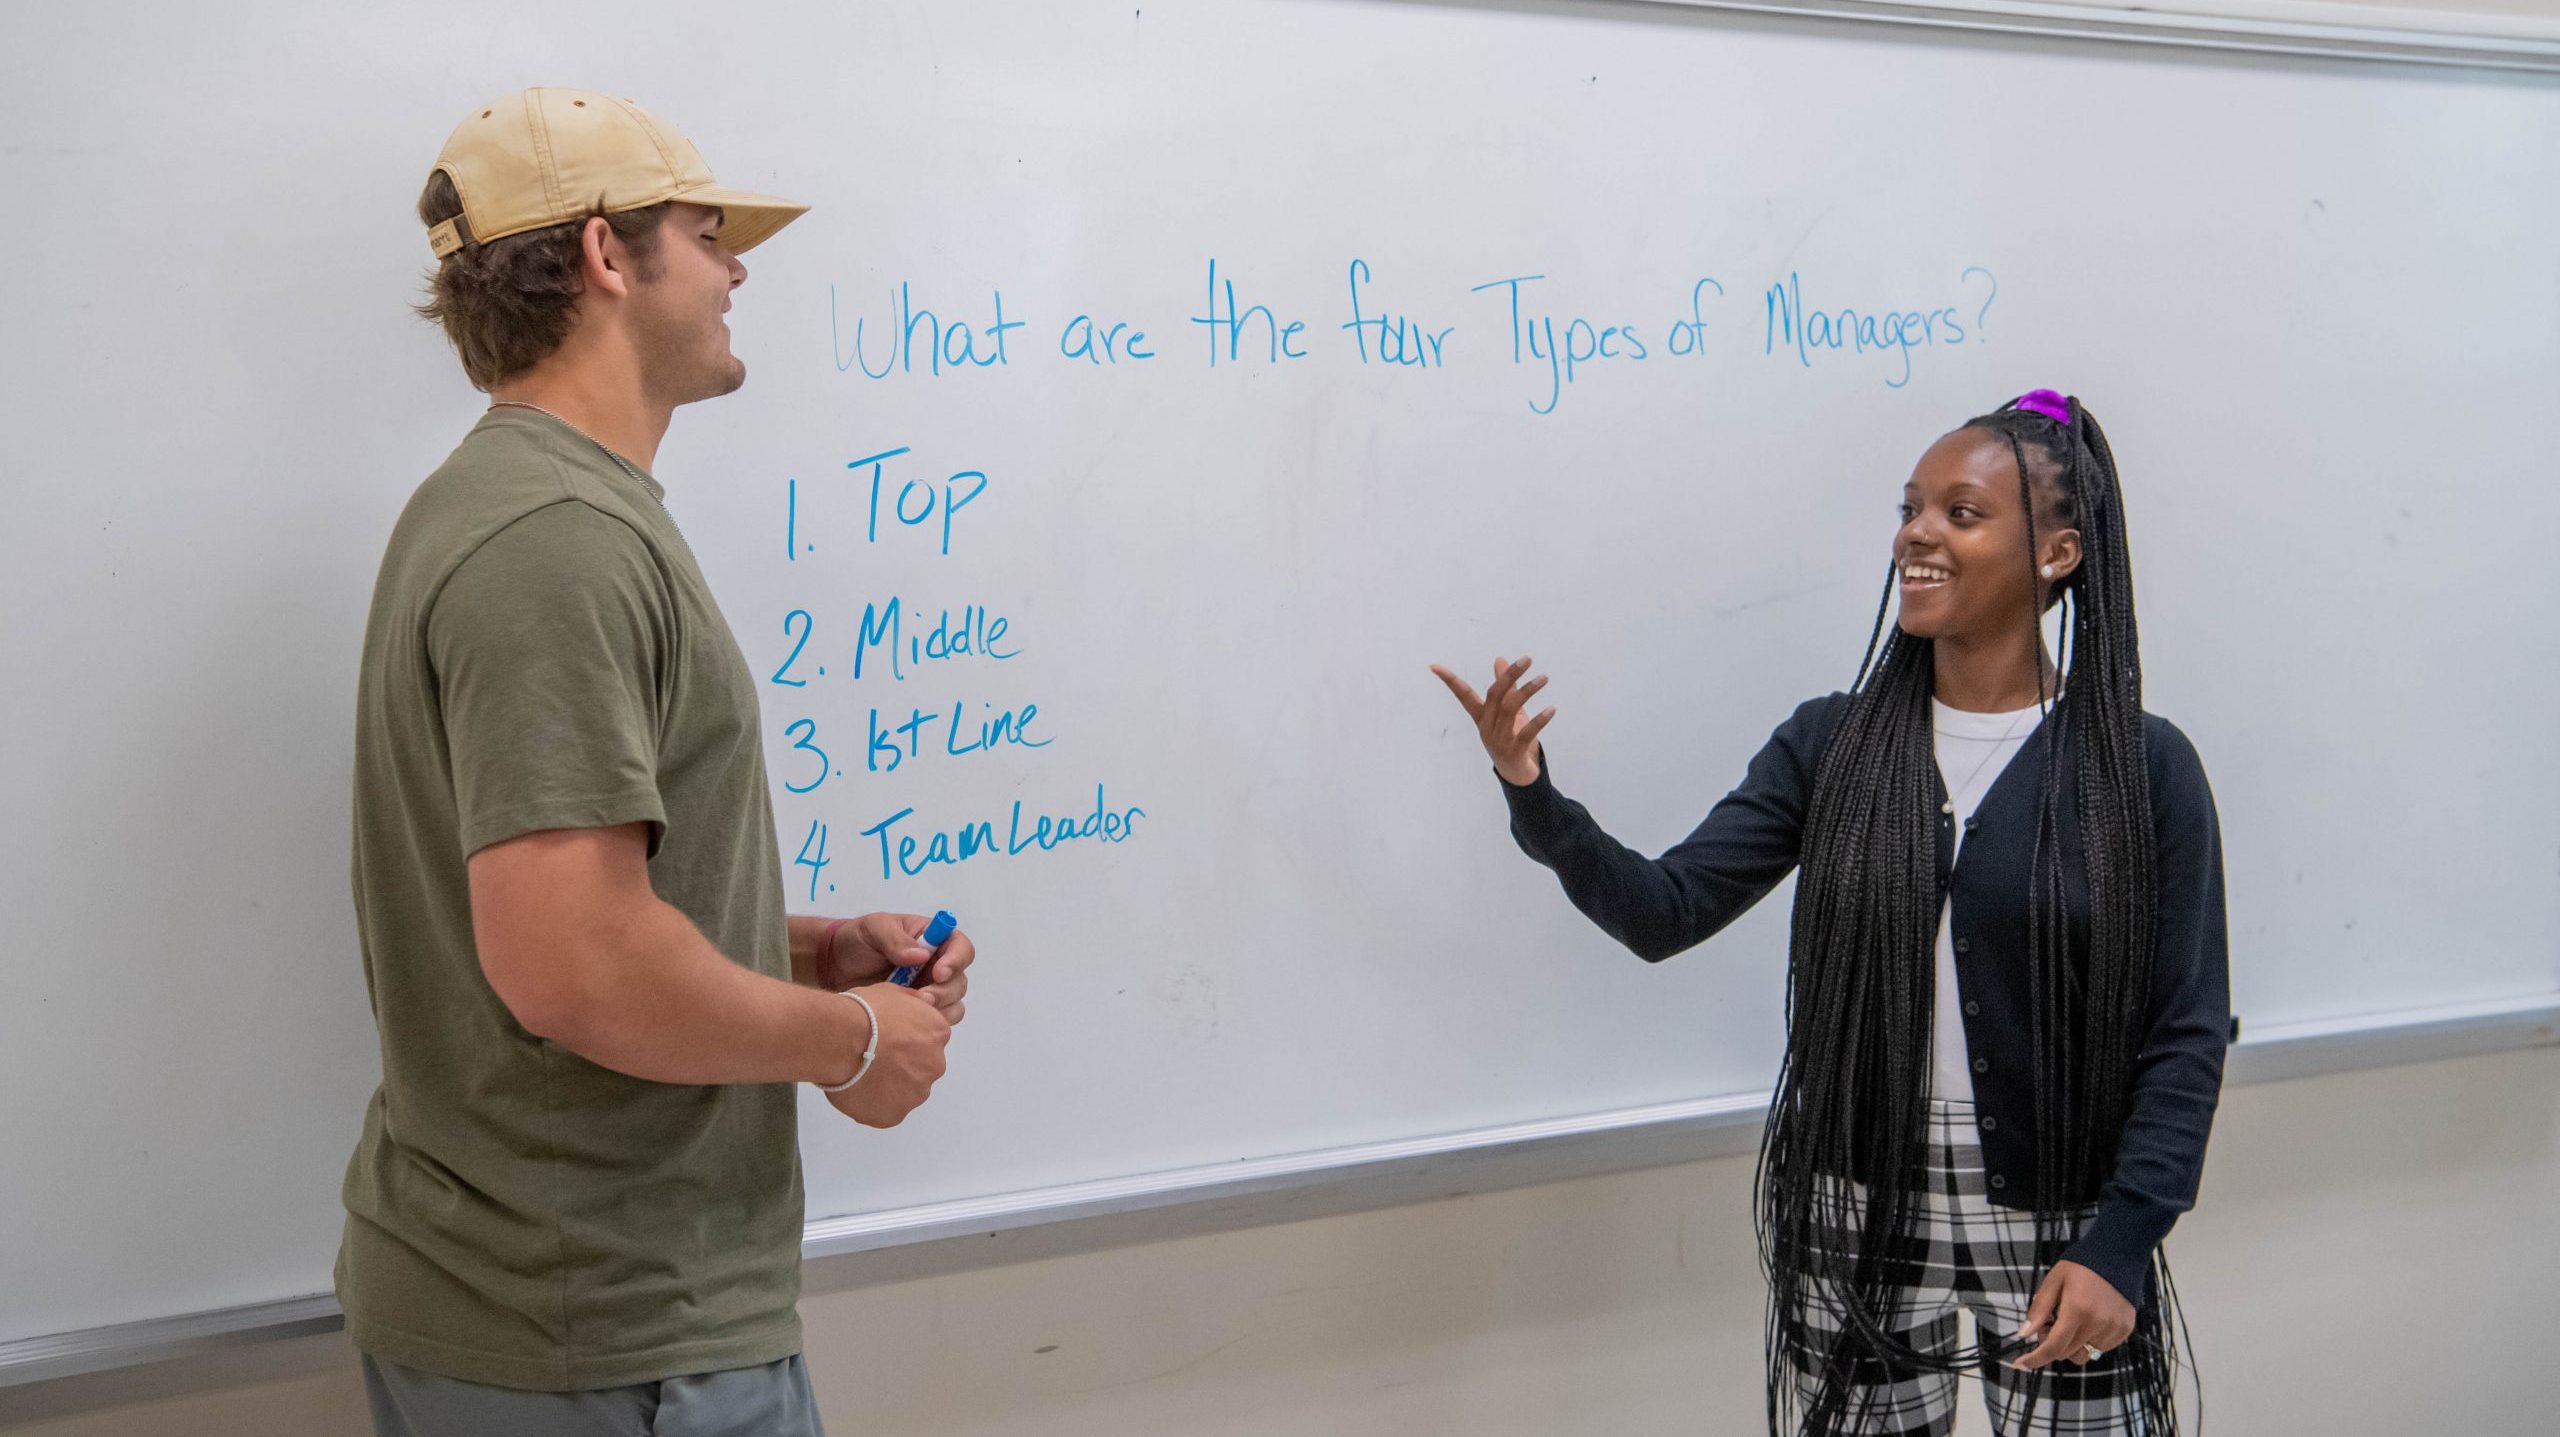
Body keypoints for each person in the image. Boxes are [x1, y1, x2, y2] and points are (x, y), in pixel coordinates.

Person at [340, 88, 973, 1437]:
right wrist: (853, 1040)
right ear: (604, 257)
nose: (739, 266)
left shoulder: (535, 509)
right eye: (706, 230)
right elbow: (574, 964)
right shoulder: (554, 537)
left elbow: (564, 918)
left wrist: (798, 951)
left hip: (582, 1326)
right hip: (600, 1345)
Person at [1434, 392, 2228, 1435]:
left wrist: (2122, 1238)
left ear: (2059, 553)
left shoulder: (2140, 768)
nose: (1916, 534)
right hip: (1855, 1206)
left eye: (1961, 513)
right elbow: (1663, 911)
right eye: (1910, 508)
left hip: (2065, 1219)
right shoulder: (1832, 746)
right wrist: (1532, 791)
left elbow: (2186, 1031)